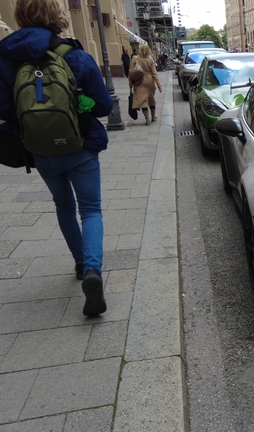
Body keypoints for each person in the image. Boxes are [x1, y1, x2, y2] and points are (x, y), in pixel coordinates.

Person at [0, 0, 113, 316]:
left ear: (20, 16)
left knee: (64, 206)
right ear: (57, 16)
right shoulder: (75, 55)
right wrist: (80, 105)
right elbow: (103, 106)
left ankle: (79, 263)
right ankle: (92, 270)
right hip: (81, 147)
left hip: (40, 149)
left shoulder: (6, 57)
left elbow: (4, 109)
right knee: (90, 210)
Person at [129, 44, 162, 126]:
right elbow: (154, 73)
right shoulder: (150, 60)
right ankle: (153, 116)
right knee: (151, 99)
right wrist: (159, 85)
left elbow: (130, 73)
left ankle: (147, 119)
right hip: (149, 80)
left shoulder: (135, 59)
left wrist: (130, 83)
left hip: (139, 81)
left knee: (143, 101)